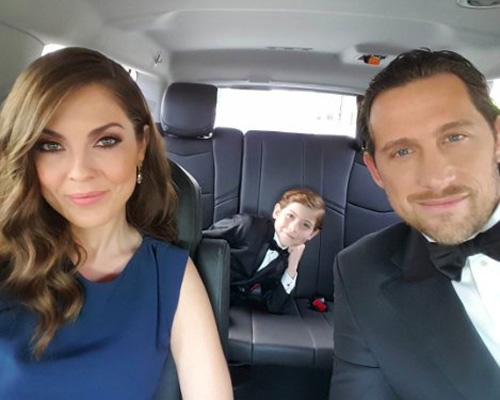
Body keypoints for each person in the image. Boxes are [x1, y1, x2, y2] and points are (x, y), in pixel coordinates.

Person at [0, 47, 232, 400]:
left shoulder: (170, 275)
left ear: (140, 145)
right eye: (50, 145)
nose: (80, 172)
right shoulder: (7, 260)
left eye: (106, 141)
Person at [329, 49, 500, 399]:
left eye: (454, 137)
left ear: (497, 139)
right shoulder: (362, 272)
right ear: (375, 170)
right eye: (402, 152)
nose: (436, 178)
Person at [205, 188, 325, 314]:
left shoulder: (284, 262)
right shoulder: (246, 225)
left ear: (312, 234)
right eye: (290, 216)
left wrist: (292, 268)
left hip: (223, 304)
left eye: (305, 225)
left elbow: (273, 305)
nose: (293, 228)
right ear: (277, 212)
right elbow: (200, 241)